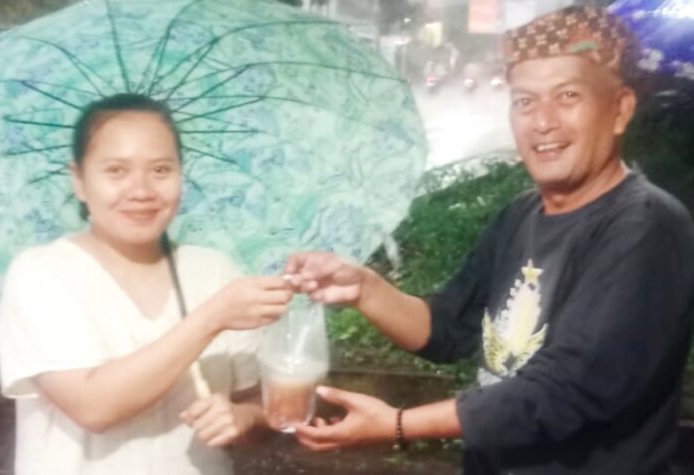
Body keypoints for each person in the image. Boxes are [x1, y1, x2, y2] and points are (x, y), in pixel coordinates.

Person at [287, 6, 694, 474]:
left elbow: (564, 391)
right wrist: (363, 287)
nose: (542, 121)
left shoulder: (646, 226)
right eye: (524, 101)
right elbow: (447, 328)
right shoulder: (521, 214)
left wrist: (398, 425)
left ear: (619, 109)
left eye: (567, 96)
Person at [0, 93, 292, 474]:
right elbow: (94, 406)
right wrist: (211, 318)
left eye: (160, 170)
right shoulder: (42, 273)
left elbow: (262, 404)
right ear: (79, 180)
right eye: (116, 171)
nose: (141, 191)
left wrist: (245, 418)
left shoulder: (215, 271)